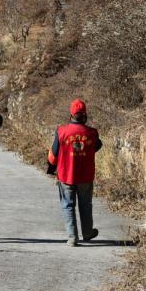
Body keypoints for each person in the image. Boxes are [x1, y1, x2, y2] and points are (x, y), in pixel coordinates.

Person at [46, 98, 102, 246]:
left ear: (71, 115)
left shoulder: (61, 131)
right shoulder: (92, 133)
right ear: (84, 115)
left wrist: (51, 168)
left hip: (66, 175)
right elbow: (97, 146)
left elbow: (54, 153)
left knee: (68, 205)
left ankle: (72, 237)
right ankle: (88, 232)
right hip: (85, 176)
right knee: (85, 204)